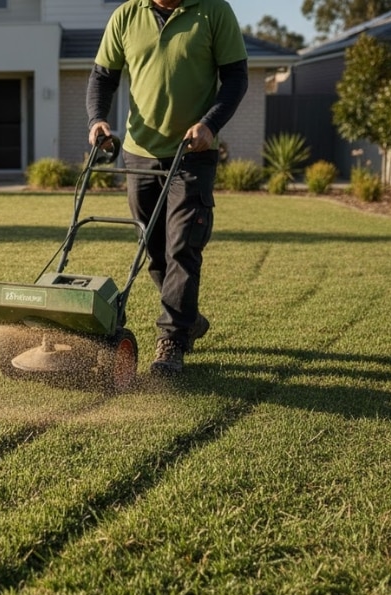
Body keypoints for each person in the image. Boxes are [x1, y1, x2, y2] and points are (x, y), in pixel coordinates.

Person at [87, 0, 248, 374]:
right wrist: (98, 120)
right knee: (154, 250)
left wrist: (209, 124)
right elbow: (103, 76)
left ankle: (172, 338)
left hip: (193, 152)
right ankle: (188, 319)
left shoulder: (214, 11)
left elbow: (237, 77)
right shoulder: (127, 15)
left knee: (183, 246)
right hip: (138, 152)